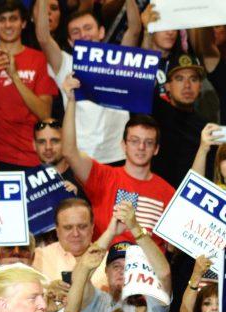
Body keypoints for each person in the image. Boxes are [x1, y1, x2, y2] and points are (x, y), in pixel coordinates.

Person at [62, 75, 174, 249]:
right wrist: (71, 102)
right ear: (123, 145)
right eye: (135, 141)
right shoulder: (103, 176)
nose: (141, 147)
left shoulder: (168, 193)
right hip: (104, 270)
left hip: (146, 274)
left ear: (156, 149)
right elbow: (69, 151)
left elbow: (172, 248)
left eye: (149, 142)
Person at [34, 0, 138, 164]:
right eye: (76, 31)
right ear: (69, 41)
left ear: (101, 31)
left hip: (118, 154)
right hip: (81, 157)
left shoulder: (120, 62)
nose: (83, 35)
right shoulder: (65, 64)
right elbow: (43, 37)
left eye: (88, 28)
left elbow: (134, 30)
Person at [0, 0, 59, 170]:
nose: (8, 25)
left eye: (13, 19)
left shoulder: (39, 59)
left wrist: (15, 77)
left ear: (23, 23)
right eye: (1, 20)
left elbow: (45, 113)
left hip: (32, 157)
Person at [150, 53, 209, 189]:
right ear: (167, 86)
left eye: (193, 79)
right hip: (156, 195)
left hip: (190, 199)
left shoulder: (205, 128)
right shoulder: (154, 113)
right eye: (179, 79)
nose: (187, 85)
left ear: (200, 86)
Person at [31, 198, 94, 284]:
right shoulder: (37, 257)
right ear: (57, 230)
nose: (75, 234)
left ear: (92, 228)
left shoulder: (110, 260)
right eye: (68, 228)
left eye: (82, 226)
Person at [32, 119, 81, 194]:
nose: (48, 147)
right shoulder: (26, 182)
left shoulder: (83, 178)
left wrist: (76, 200)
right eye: (42, 142)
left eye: (54, 141)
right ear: (34, 145)